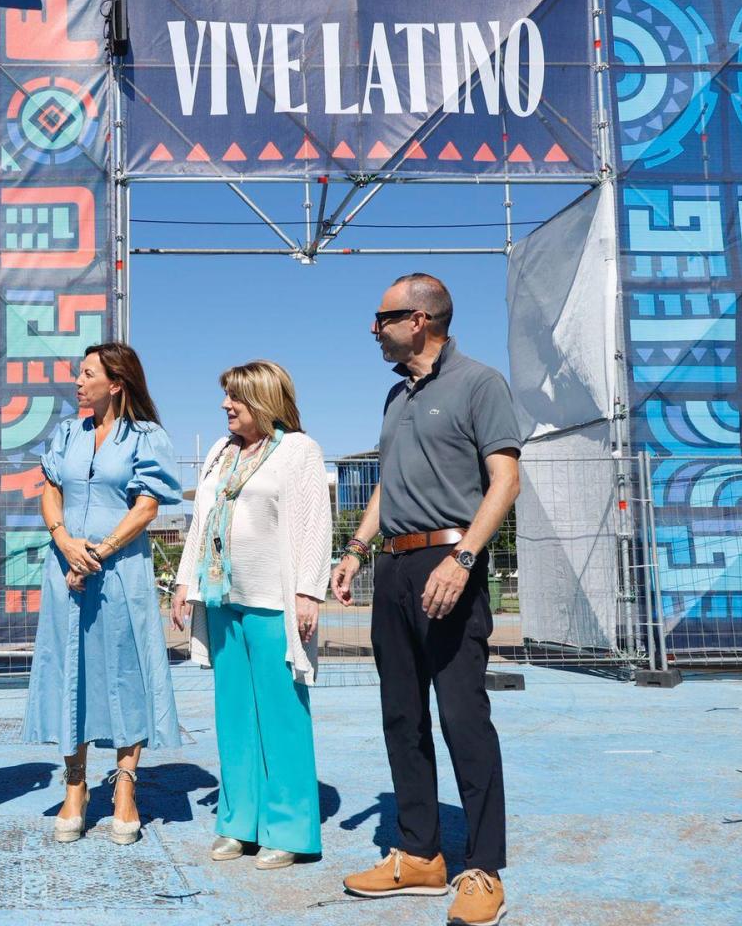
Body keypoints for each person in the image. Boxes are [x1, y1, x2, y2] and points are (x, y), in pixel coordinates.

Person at [332, 273, 522, 926]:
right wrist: (356, 550)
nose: (372, 327)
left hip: (451, 562)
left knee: (462, 716)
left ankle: (484, 868)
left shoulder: (479, 383)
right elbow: (388, 484)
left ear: (419, 320)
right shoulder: (396, 396)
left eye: (381, 316)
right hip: (394, 568)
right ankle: (420, 855)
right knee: (401, 716)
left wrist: (464, 557)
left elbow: (506, 480)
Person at [172, 360, 332, 871]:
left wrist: (309, 591)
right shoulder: (221, 453)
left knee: (283, 715)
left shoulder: (298, 451)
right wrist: (184, 582)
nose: (225, 406)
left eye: (235, 398)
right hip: (224, 599)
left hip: (273, 602)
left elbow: (313, 525)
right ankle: (239, 822)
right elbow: (200, 522)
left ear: (262, 399)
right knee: (233, 717)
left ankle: (288, 828)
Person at [26, 343, 183, 845]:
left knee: (125, 674)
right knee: (68, 670)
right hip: (66, 572)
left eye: (87, 373)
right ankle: (76, 785)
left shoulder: (147, 436)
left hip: (120, 573)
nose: (77, 381)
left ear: (115, 383)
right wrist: (65, 541)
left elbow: (147, 507)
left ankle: (125, 789)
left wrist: (99, 552)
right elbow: (50, 487)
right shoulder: (67, 432)